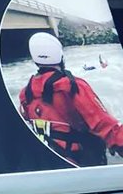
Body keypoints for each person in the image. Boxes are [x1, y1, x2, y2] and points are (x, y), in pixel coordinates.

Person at [19, 31, 123, 166]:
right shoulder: (73, 87)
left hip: (47, 162)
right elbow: (105, 125)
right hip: (81, 163)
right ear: (60, 57)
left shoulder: (25, 94)